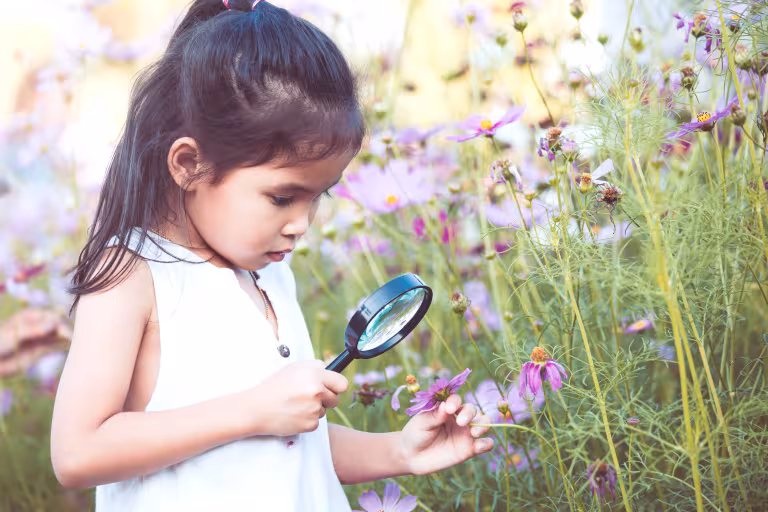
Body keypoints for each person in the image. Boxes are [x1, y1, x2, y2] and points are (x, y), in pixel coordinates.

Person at [50, 1, 494, 510]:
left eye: (318, 196)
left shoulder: (267, 276)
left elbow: (287, 443)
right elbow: (77, 451)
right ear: (190, 164)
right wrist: (253, 410)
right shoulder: (133, 274)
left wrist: (399, 450)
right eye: (283, 197)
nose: (301, 224)